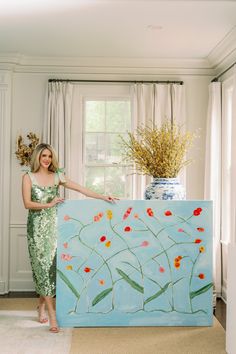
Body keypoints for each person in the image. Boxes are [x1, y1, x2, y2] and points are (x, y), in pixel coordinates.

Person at [22, 143, 116, 333]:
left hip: (56, 229)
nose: (47, 159)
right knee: (41, 266)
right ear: (38, 158)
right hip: (37, 229)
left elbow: (81, 189)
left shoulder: (57, 176)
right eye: (43, 156)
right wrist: (49, 205)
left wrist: (102, 197)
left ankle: (41, 306)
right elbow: (27, 203)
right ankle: (52, 315)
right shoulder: (28, 177)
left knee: (50, 268)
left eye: (49, 156)